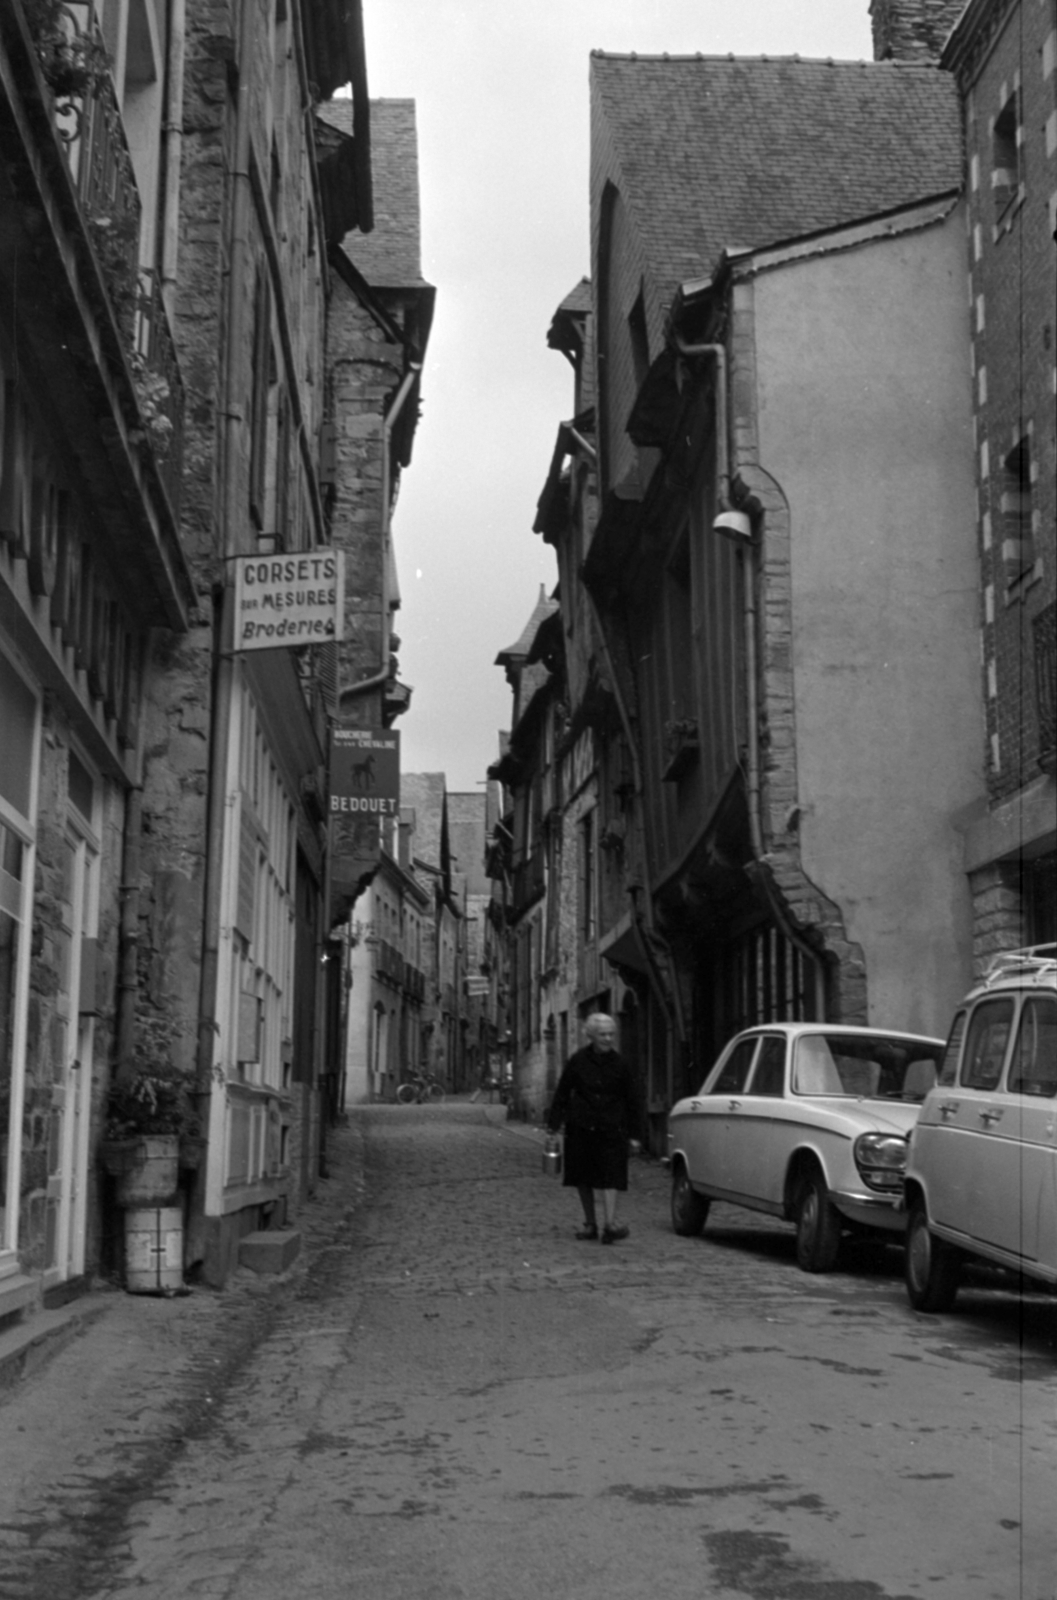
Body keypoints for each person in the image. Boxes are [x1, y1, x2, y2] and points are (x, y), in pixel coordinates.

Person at [545, 1012, 645, 1244]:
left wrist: (635, 1135)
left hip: (612, 1127)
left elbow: (633, 1100)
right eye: (603, 1035)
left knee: (612, 1175)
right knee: (583, 1175)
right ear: (591, 1036)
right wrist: (553, 1125)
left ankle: (609, 1224)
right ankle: (590, 1223)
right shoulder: (578, 1061)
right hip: (581, 1126)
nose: (608, 1039)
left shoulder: (621, 1064)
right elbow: (562, 1092)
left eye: (611, 1034)